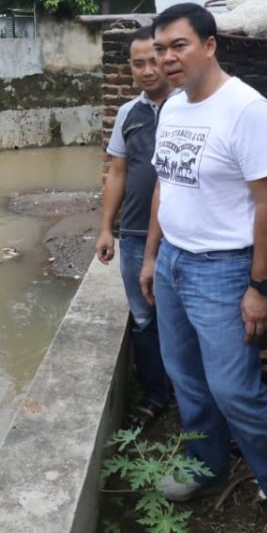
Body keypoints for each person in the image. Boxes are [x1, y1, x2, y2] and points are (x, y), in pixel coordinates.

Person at [139, 3, 267, 533]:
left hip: (223, 269)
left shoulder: (248, 110)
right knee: (186, 379)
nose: (167, 57)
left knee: (236, 389)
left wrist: (260, 286)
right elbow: (164, 187)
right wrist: (152, 257)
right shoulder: (172, 108)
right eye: (161, 48)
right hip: (173, 261)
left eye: (179, 46)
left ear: (210, 45)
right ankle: (205, 466)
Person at [97, 27, 172, 426]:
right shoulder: (129, 114)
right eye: (137, 63)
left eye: (153, 60)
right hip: (134, 236)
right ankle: (156, 394)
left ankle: (197, 399)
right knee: (144, 319)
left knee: (184, 320)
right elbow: (117, 172)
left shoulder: (191, 107)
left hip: (180, 240)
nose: (146, 70)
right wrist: (107, 228)